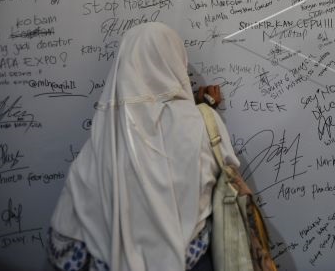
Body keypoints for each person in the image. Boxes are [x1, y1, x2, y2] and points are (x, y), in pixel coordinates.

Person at [48, 22, 239, 271]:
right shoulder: (202, 122)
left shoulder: (105, 133)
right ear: (175, 61)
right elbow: (225, 171)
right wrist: (203, 110)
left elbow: (68, 227)